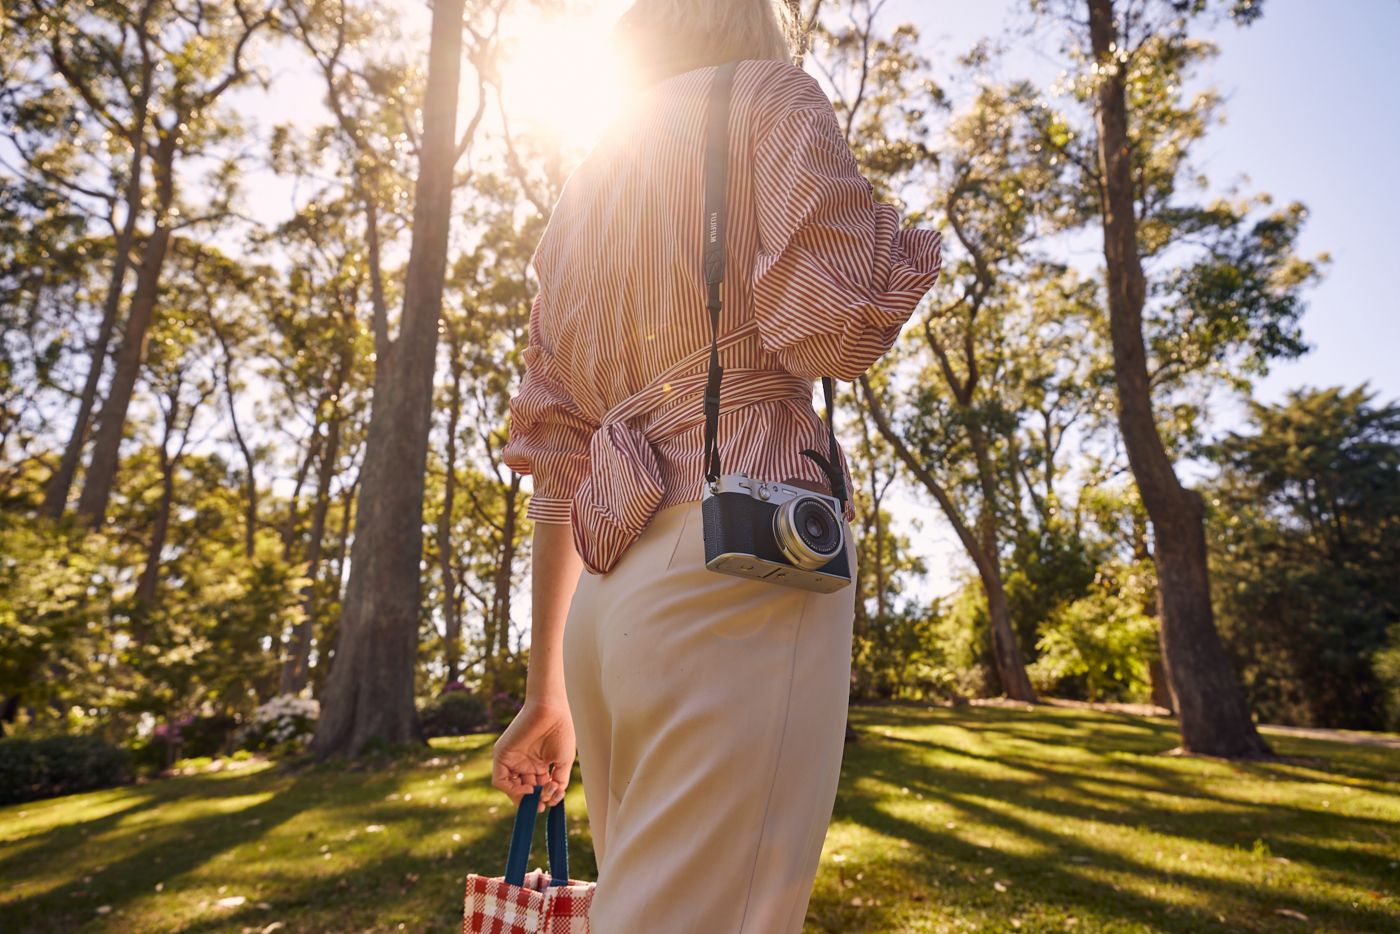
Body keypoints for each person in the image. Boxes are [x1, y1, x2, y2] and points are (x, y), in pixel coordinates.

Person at [490, 1, 942, 930]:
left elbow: (556, 471)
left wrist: (549, 692)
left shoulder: (582, 196)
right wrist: (898, 242)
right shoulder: (767, 98)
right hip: (740, 557)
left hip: (605, 615)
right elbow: (832, 324)